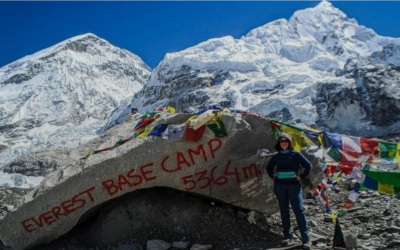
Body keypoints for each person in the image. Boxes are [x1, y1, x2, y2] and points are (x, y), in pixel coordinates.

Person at [266, 133, 312, 250]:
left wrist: (301, 176)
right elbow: (269, 168)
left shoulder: (296, 154)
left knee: (299, 210)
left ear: (290, 143)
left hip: (294, 186)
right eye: (282, 141)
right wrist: (273, 176)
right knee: (284, 210)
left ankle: (306, 239)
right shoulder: (276, 156)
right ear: (279, 143)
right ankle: (288, 236)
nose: (284, 143)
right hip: (280, 186)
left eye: (286, 141)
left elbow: (308, 166)